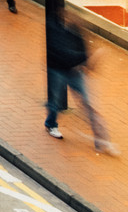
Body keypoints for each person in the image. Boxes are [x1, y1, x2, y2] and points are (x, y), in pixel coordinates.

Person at [47, 12, 118, 151]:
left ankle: (101, 141)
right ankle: (51, 124)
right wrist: (88, 57)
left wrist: (89, 61)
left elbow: (85, 58)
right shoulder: (59, 33)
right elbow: (66, 54)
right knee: (54, 100)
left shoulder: (78, 34)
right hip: (58, 70)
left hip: (74, 72)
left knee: (89, 104)